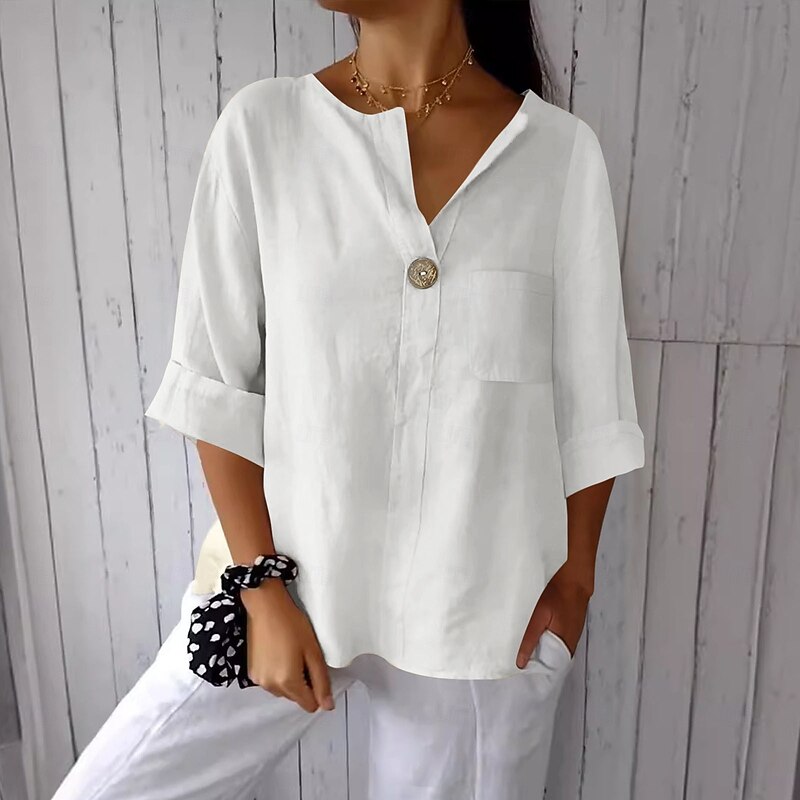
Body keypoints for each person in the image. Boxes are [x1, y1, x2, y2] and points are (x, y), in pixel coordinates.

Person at [52, 0, 645, 798]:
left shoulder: (558, 157)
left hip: (481, 618)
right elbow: (216, 383)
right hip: (284, 581)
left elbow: (592, 405)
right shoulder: (266, 130)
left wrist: (574, 585)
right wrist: (261, 590)